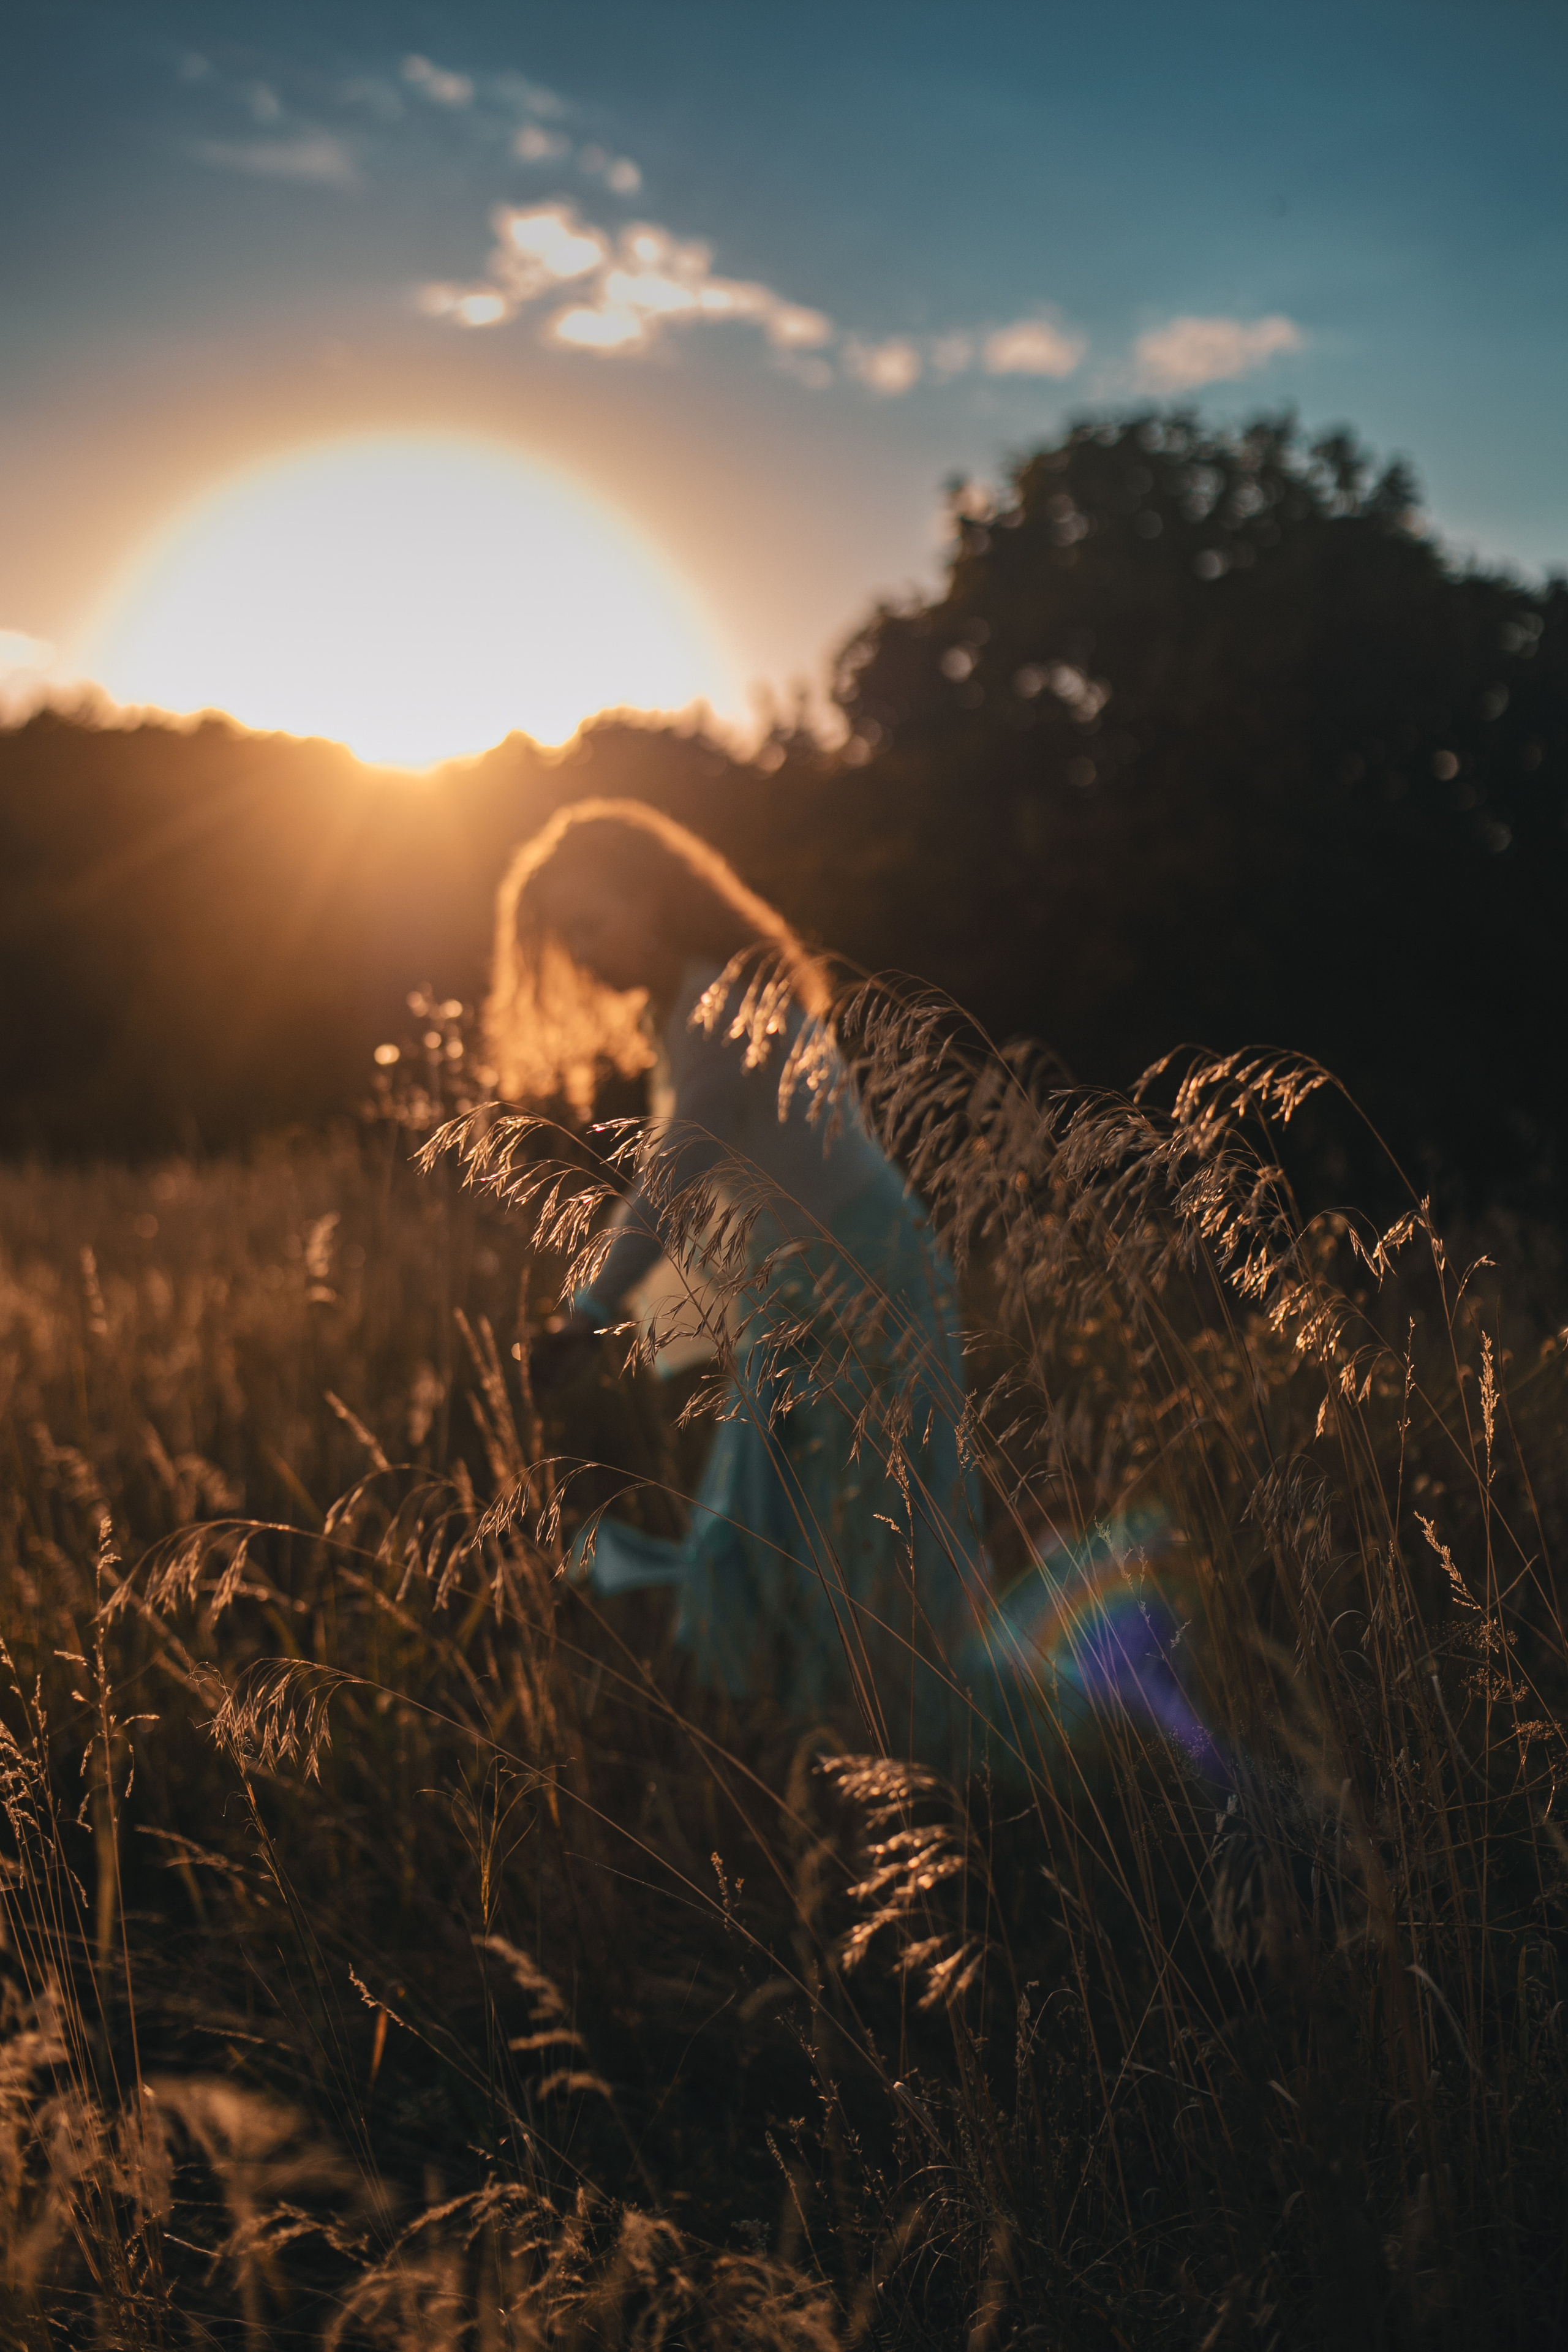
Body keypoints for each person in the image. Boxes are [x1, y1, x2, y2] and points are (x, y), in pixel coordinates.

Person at [484, 799, 1223, 1781]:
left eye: (590, 924)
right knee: (806, 1533)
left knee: (867, 1553)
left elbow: (673, 1177)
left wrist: (584, 1315)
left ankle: (1002, 1759)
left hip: (862, 1283)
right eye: (566, 942)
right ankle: (868, 1764)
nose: (585, 957)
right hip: (823, 1287)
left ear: (653, 895)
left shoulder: (715, 1008)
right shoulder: (705, 1003)